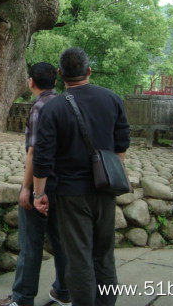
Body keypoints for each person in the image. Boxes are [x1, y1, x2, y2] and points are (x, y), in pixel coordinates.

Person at [32, 47, 129, 306]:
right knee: (104, 255)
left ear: (61, 73)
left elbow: (43, 157)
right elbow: (122, 144)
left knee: (79, 257)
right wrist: (108, 175)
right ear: (89, 70)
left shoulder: (53, 108)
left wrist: (39, 194)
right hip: (105, 190)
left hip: (70, 193)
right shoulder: (112, 99)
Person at [0, 62, 71, 306]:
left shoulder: (40, 107)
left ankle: (22, 297)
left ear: (31, 82)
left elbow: (33, 153)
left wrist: (29, 189)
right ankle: (64, 290)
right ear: (55, 80)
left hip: (43, 183)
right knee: (61, 241)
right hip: (65, 183)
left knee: (31, 242)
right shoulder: (65, 103)